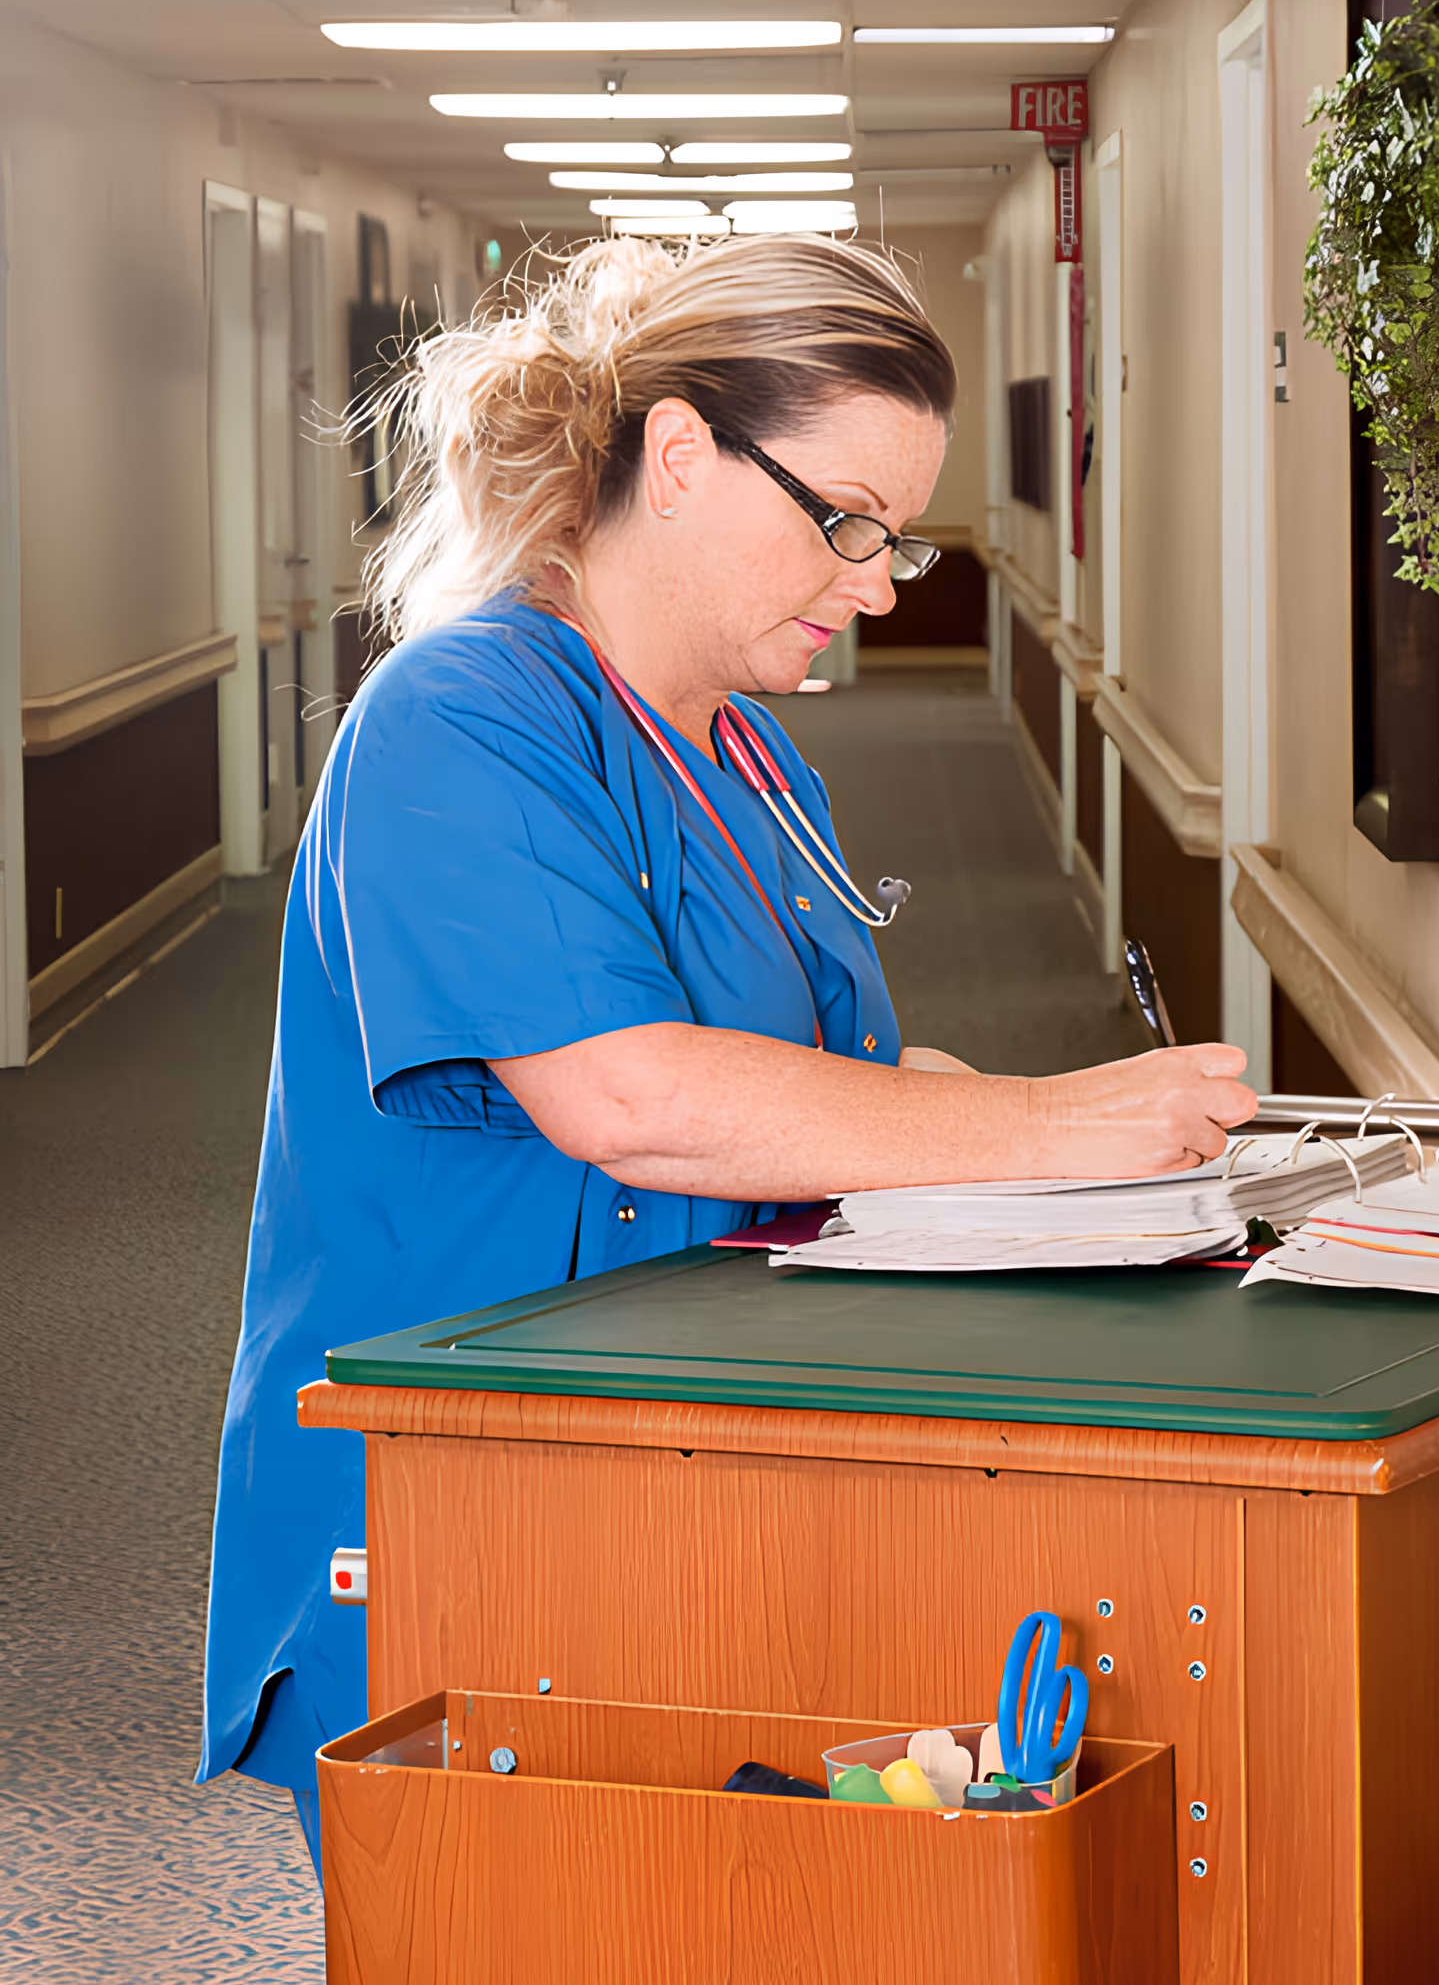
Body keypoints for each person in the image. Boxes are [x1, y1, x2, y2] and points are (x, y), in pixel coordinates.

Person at [198, 233, 1254, 1872]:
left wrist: (964, 1108)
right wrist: (1045, 1125)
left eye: (897, 538)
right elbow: (634, 1097)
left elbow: (803, 1088)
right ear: (681, 455)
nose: (878, 583)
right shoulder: (457, 721)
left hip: (707, 1471)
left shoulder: (756, 764)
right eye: (845, 524)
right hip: (480, 1506)